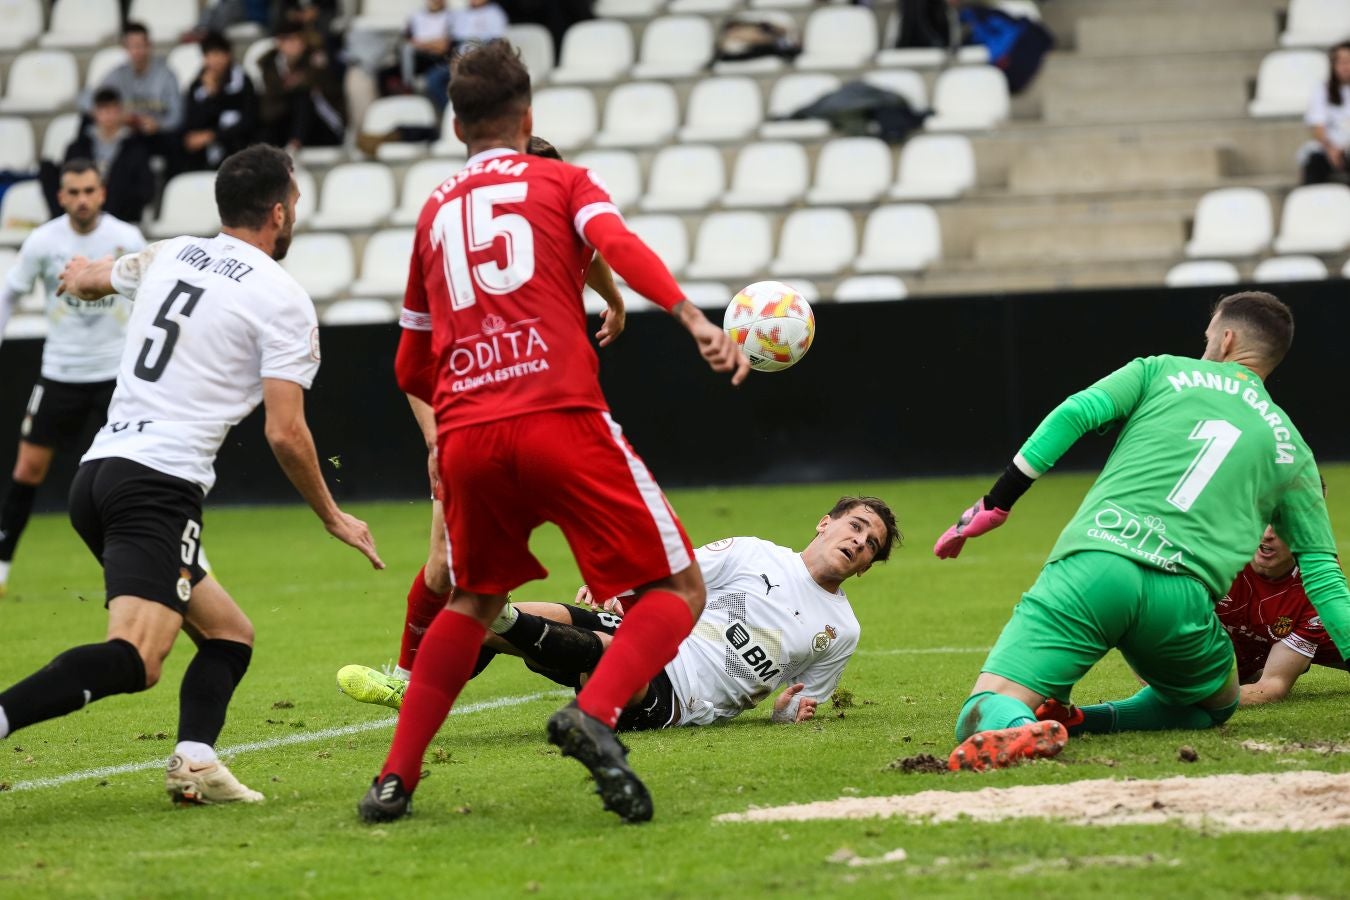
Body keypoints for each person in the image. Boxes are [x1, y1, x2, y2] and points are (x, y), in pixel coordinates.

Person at [356, 42, 749, 826]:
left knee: (471, 600)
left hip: (469, 434)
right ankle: (594, 713)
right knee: (675, 589)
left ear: (455, 124)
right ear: (527, 116)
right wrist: (689, 314)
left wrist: (458, 412)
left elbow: (408, 362)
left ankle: (394, 780)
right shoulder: (559, 178)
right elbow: (619, 246)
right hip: (560, 416)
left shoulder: (433, 212)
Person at [0, 145, 384, 806]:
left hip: (102, 474)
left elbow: (94, 278)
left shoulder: (172, 253)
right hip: (157, 486)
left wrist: (77, 275)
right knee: (136, 659)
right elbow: (286, 430)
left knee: (230, 634)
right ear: (278, 211)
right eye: (294, 203)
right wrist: (333, 515)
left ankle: (196, 760)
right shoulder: (281, 298)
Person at [934, 291, 1350, 772]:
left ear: (1226, 337)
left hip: (1093, 565)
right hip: (1179, 599)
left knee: (984, 707)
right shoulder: (1291, 445)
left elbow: (1074, 413)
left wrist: (996, 503)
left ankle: (1016, 724)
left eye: (1208, 335)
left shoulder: (1161, 370)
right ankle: (1088, 720)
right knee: (1213, 705)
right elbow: (1323, 576)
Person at [336, 135, 627, 708]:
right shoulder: (472, 262)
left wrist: (614, 302)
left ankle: (425, 682)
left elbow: (592, 260)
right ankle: (410, 679)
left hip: (541, 420)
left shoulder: (565, 237)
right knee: (446, 568)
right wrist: (434, 438)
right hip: (471, 424)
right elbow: (420, 358)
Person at [341, 498, 900, 735]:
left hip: (678, 697)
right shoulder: (755, 552)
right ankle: (416, 689)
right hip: (650, 635)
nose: (858, 542)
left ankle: (503, 618)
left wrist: (785, 713)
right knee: (512, 621)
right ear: (825, 523)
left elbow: (799, 704)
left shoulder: (840, 631)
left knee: (601, 660)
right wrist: (623, 583)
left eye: (871, 543)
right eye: (854, 527)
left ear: (869, 566)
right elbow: (676, 568)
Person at [0, 160, 145, 596]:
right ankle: (2, 566)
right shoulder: (44, 242)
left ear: (101, 192)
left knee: (132, 471)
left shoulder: (126, 239)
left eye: (89, 190)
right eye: (73, 192)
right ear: (61, 197)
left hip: (114, 376)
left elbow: (151, 295)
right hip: (60, 373)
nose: (82, 199)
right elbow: (10, 293)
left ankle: (162, 560)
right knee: (28, 468)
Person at [1216, 519, 1347, 705]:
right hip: (1240, 638)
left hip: (1296, 633)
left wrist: (1202, 700)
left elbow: (1271, 686)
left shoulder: (1317, 578)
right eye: (1263, 519)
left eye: (1281, 525)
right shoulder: (1216, 550)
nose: (1268, 534)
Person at [65, 88, 156, 225]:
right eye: (103, 110)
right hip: (83, 213)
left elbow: (146, 189)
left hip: (123, 217)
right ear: (95, 113)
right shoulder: (78, 147)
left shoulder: (136, 147)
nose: (108, 115)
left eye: (112, 110)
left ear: (120, 112)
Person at [259, 22, 347, 153]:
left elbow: (331, 92)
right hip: (284, 122)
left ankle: (295, 143)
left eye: (295, 39)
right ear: (278, 43)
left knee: (302, 98)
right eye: (286, 40)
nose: (292, 45)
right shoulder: (269, 65)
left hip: (322, 125)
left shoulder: (318, 61)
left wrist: (300, 82)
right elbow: (271, 101)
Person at [92, 22, 184, 143]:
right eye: (132, 46)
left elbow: (177, 116)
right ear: (125, 48)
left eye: (140, 46)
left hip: (157, 135)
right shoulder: (117, 74)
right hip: (126, 136)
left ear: (149, 45)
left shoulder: (166, 75)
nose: (137, 51)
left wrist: (159, 124)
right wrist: (119, 117)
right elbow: (89, 98)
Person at [180, 33, 258, 172]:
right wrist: (209, 95)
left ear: (228, 55)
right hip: (204, 149)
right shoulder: (197, 86)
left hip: (234, 143)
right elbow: (192, 121)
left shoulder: (243, 82)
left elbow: (249, 120)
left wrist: (212, 135)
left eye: (218, 54)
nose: (214, 60)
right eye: (209, 55)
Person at [1300, 42, 1350, 185]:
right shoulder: (1322, 90)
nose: (1345, 67)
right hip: (1331, 149)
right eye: (1341, 62)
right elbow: (1318, 127)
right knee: (1314, 161)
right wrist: (1331, 149)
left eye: (1349, 61)